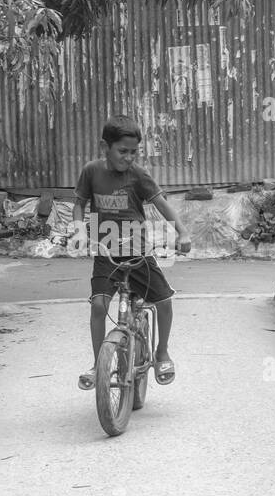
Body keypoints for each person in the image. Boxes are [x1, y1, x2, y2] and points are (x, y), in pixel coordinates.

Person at [66, 114, 191, 390]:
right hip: (105, 252)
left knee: (164, 302)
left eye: (134, 152)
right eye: (123, 151)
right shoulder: (91, 171)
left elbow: (162, 205)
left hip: (137, 253)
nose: (129, 157)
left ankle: (162, 352)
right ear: (104, 147)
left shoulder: (138, 176)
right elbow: (79, 204)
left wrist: (181, 232)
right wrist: (78, 228)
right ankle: (99, 363)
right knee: (98, 306)